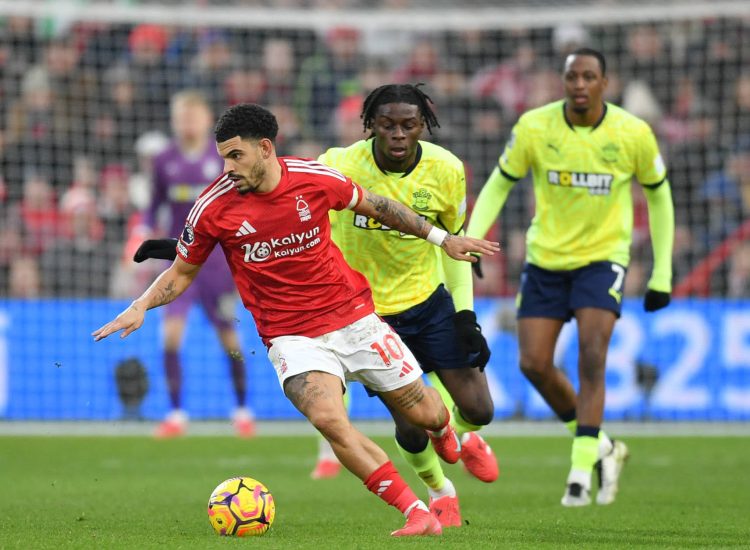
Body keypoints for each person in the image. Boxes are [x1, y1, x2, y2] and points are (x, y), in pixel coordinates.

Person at [93, 102, 500, 537]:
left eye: (236, 156)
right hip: (290, 337)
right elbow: (181, 272)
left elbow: (379, 207)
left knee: (428, 413)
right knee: (329, 420)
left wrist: (442, 239)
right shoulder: (212, 205)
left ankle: (448, 434)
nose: (227, 168)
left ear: (265, 148)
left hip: (355, 318)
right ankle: (415, 511)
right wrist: (141, 304)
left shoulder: (314, 178)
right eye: (223, 157)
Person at [467, 48, 675, 506]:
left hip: (603, 259)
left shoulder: (632, 133)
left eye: (589, 76)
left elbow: (659, 196)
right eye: (572, 77)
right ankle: (604, 447)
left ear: (605, 82)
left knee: (592, 356)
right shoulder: (534, 127)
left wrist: (662, 272)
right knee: (533, 364)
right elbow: (500, 181)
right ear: (563, 82)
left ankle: (580, 474)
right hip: (546, 260)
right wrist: (474, 237)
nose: (579, 84)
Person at [314, 84, 500, 527]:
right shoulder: (339, 164)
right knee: (412, 427)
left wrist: (465, 315)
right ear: (370, 126)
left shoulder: (447, 170)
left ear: (423, 126)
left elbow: (454, 246)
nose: (398, 134)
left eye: (408, 125)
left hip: (428, 302)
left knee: (480, 409)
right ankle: (440, 491)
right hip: (368, 316)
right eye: (387, 125)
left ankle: (460, 436)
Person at [141, 90, 254, 438]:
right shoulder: (164, 160)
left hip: (218, 263)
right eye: (181, 117)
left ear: (207, 120)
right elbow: (153, 207)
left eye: (192, 116)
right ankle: (176, 413)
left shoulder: (223, 159)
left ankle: (242, 410)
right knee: (170, 337)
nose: (187, 123)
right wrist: (141, 232)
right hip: (180, 259)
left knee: (229, 337)